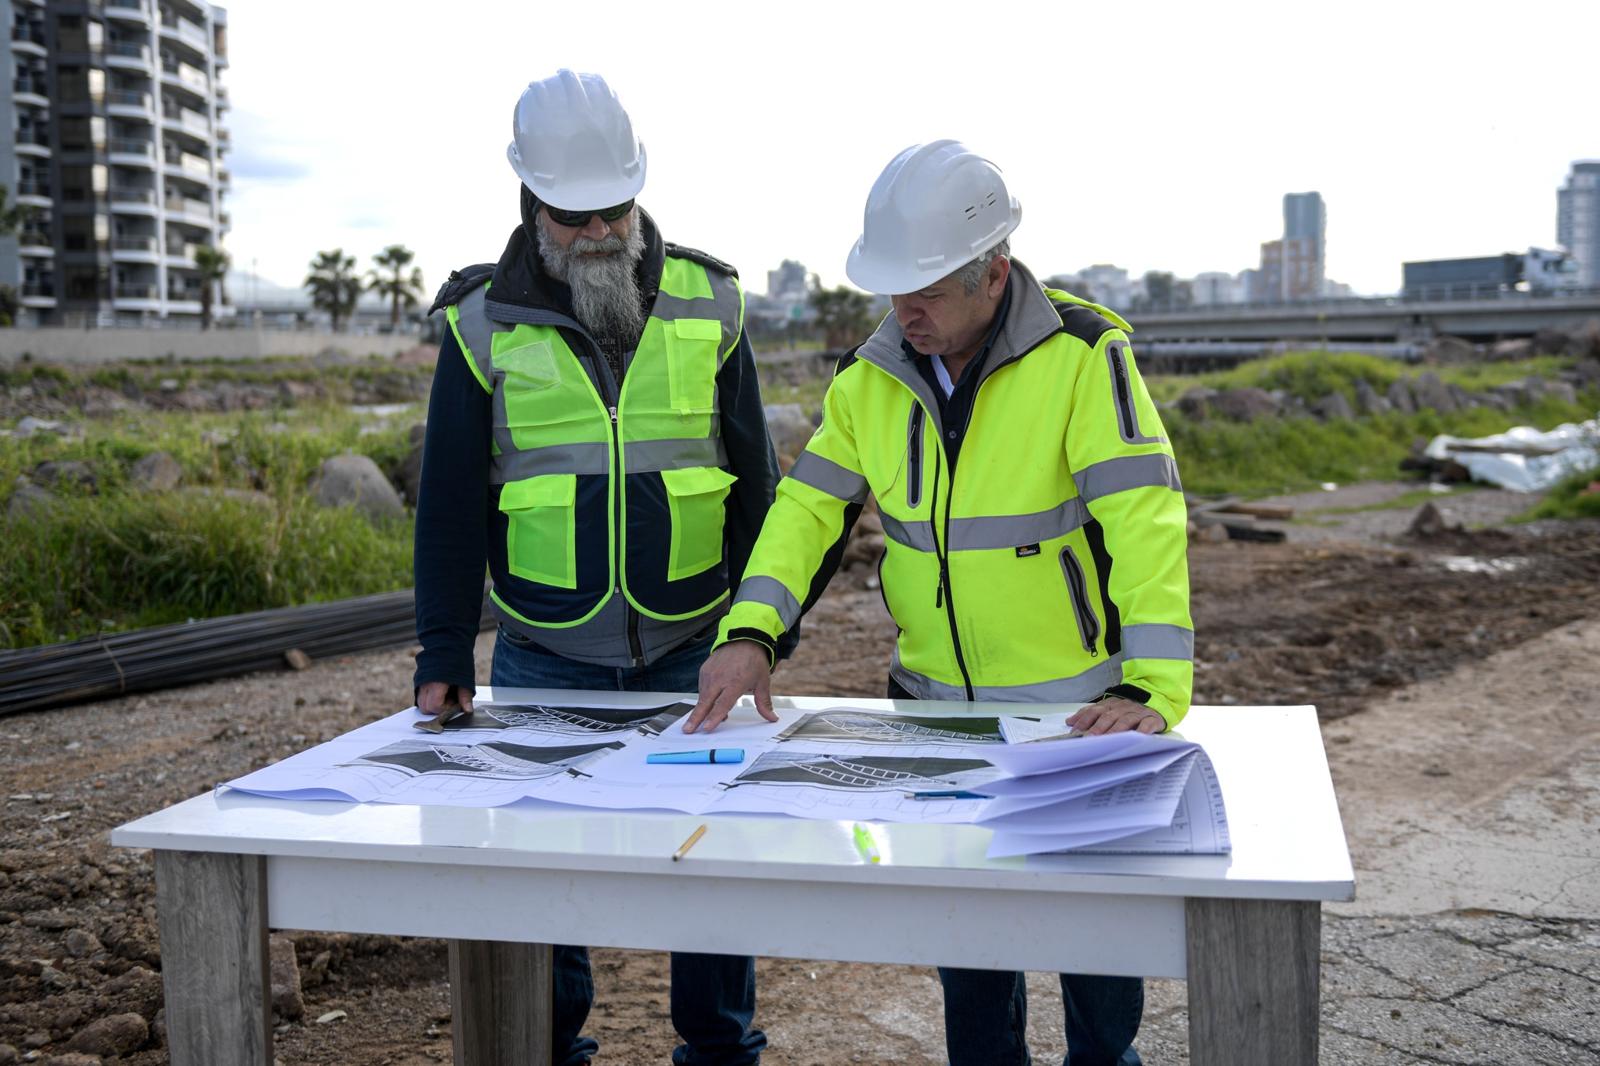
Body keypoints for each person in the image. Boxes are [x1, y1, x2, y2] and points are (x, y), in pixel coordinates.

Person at [689, 140, 1194, 1066]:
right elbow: (807, 513)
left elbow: (1146, 521)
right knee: (972, 968)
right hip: (934, 722)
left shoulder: (1086, 357)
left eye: (925, 291)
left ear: (994, 273)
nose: (904, 311)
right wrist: (752, 631)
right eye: (894, 290)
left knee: (1098, 987)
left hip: (1075, 723)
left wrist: (1155, 689)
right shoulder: (869, 375)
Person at [412, 69, 781, 1066]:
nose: (598, 233)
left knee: (710, 869)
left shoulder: (712, 301)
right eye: (574, 218)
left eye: (612, 210)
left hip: (692, 650)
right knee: (546, 876)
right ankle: (551, 1048)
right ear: (531, 205)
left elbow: (757, 482)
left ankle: (719, 1050)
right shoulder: (480, 323)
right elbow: (449, 502)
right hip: (543, 654)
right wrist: (443, 647)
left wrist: (757, 635)